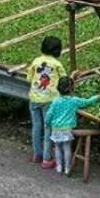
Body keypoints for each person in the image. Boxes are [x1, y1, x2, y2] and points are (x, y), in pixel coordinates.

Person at [45, 76, 100, 175]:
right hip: (67, 129)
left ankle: (59, 166)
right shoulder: (74, 101)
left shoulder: (55, 101)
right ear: (71, 89)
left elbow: (49, 114)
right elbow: (86, 102)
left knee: (57, 147)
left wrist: (47, 123)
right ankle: (67, 167)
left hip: (56, 128)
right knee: (67, 148)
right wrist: (97, 97)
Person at [27, 36, 66, 169]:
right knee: (48, 128)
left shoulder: (36, 61)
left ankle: (36, 154)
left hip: (34, 98)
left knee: (36, 126)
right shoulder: (57, 65)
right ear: (58, 51)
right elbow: (64, 81)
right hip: (50, 100)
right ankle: (47, 158)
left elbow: (29, 77)